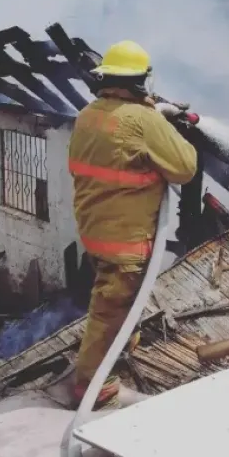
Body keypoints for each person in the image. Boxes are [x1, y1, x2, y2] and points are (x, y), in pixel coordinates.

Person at [68, 40, 198, 408]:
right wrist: (164, 125)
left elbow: (123, 150)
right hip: (125, 242)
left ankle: (114, 358)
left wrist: (158, 117)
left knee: (114, 307)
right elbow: (184, 168)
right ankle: (93, 386)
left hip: (95, 231)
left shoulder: (89, 114)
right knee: (110, 314)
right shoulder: (143, 120)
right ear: (142, 82)